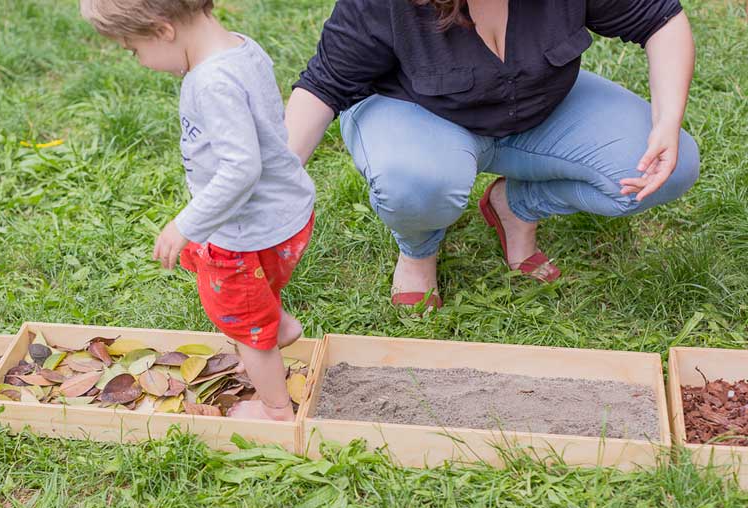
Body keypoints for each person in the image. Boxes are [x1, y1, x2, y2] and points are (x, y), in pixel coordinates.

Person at [286, 0, 700, 310]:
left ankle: (516, 206)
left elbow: (659, 19)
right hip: (415, 112)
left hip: (538, 110)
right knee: (414, 180)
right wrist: (275, 185)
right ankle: (418, 250)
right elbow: (323, 86)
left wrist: (666, 120)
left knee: (671, 166)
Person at [81, 0, 317, 421]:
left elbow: (242, 168)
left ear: (162, 30)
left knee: (241, 318)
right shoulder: (241, 48)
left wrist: (186, 224)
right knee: (257, 297)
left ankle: (275, 409)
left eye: (134, 50)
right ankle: (277, 326)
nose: (138, 60)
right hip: (284, 215)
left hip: (243, 233)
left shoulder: (211, 83)